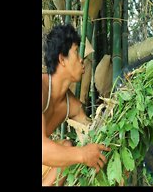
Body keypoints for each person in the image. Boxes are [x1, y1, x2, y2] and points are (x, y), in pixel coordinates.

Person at [42, 24, 110, 186]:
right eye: (75, 51)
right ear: (62, 59)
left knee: (67, 146)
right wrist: (82, 155)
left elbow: (93, 133)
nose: (81, 59)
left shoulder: (71, 104)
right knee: (72, 151)